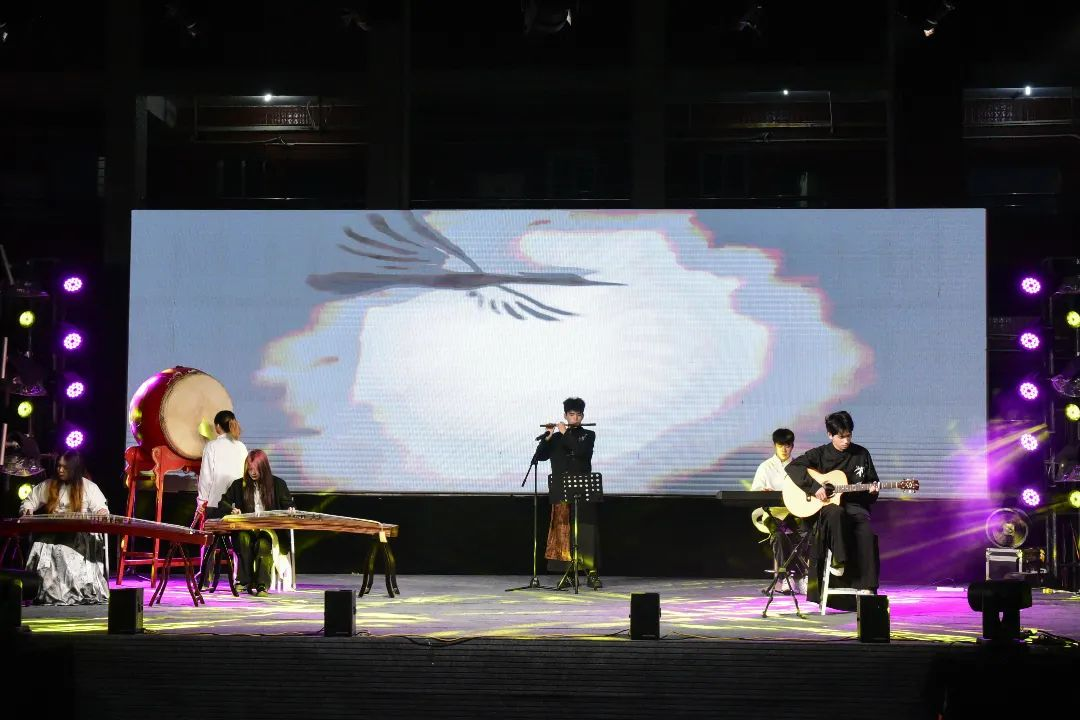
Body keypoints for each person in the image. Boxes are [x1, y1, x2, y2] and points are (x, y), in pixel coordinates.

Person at [785, 411, 879, 595]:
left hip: (855, 507)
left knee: (867, 533)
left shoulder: (862, 454)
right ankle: (838, 560)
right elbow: (793, 467)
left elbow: (871, 486)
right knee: (836, 512)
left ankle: (868, 587)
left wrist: (873, 491)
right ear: (830, 435)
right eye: (841, 437)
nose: (846, 441)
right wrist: (814, 487)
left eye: (849, 435)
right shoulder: (820, 454)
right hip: (827, 509)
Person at [19, 451, 110, 605]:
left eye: (65, 467)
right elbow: (29, 501)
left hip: (79, 534)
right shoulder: (49, 485)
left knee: (63, 550)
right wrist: (27, 509)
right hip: (53, 532)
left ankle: (70, 593)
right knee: (40, 546)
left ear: (74, 469)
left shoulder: (89, 487)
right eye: (58, 466)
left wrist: (102, 512)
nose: (60, 470)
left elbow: (102, 509)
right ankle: (43, 592)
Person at [535, 396, 600, 589]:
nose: (575, 418)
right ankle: (569, 574)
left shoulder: (588, 435)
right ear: (565, 415)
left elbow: (580, 452)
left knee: (586, 531)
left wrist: (564, 432)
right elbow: (540, 457)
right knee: (564, 531)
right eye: (572, 415)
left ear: (582, 417)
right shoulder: (555, 438)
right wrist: (548, 436)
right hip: (562, 489)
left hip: (583, 489)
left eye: (579, 415)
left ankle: (591, 573)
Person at [216, 449, 295, 596]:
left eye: (256, 469)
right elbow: (223, 503)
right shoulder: (239, 485)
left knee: (263, 544)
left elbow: (288, 505)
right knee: (243, 539)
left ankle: (261, 585)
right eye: (250, 469)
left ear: (264, 467)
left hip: (270, 530)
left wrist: (290, 509)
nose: (253, 472)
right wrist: (232, 510)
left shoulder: (278, 484)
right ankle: (244, 581)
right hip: (247, 529)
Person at [750, 428, 807, 594]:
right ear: (774, 446)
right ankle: (786, 577)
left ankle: (802, 577)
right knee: (780, 536)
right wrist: (764, 492)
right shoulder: (765, 467)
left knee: (807, 534)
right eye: (780, 445)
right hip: (773, 512)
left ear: (792, 446)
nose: (784, 449)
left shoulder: (798, 467)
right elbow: (755, 491)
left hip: (795, 512)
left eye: (788, 446)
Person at [195, 410, 249, 520]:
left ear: (218, 426)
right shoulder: (242, 447)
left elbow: (206, 477)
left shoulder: (212, 446)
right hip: (238, 504)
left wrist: (201, 502)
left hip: (216, 504)